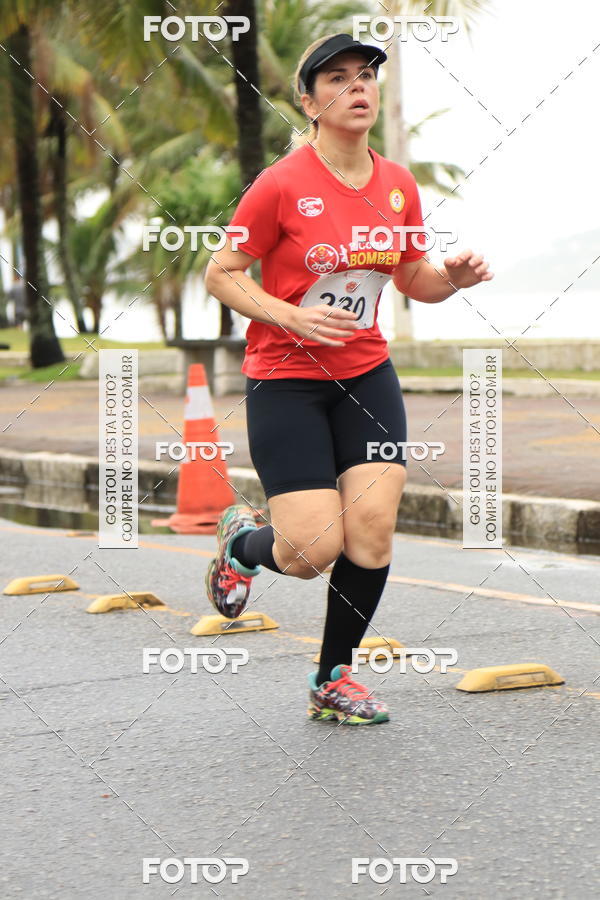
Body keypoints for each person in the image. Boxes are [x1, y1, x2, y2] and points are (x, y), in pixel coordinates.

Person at [204, 32, 493, 725]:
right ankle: (243, 544)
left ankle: (333, 677)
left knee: (371, 531)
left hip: (366, 375)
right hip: (286, 381)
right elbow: (220, 272)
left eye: (365, 76)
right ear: (308, 102)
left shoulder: (397, 186)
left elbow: (412, 278)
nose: (357, 87)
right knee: (309, 551)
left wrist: (448, 282)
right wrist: (289, 318)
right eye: (336, 78)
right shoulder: (281, 184)